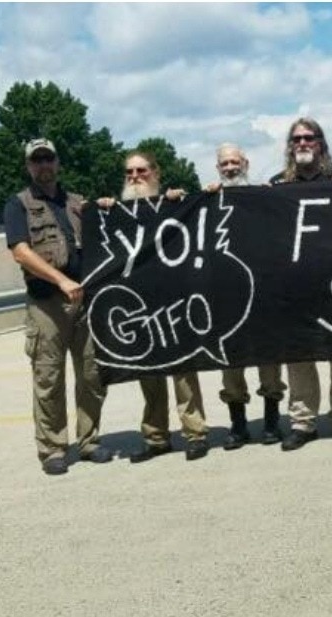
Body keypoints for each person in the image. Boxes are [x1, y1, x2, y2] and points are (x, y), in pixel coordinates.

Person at [4, 138, 111, 475]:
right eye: (37, 161)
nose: (44, 165)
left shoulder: (77, 203)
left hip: (85, 302)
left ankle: (90, 440)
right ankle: (52, 448)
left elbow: (109, 235)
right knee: (48, 378)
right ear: (28, 166)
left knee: (92, 375)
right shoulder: (18, 204)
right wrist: (60, 280)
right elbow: (21, 251)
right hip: (46, 304)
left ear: (58, 163)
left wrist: (107, 207)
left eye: (48, 159)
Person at [97, 151, 211, 461]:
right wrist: (102, 210)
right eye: (129, 172)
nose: (135, 177)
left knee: (183, 371)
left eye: (141, 171)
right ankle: (156, 437)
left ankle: (195, 433)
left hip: (174, 298)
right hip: (139, 304)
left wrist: (181, 198)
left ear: (155, 173)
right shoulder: (117, 212)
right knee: (149, 373)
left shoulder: (173, 205)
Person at [270, 117, 332, 451]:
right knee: (298, 354)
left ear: (321, 142)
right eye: (297, 139)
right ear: (290, 146)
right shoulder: (277, 185)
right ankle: (303, 421)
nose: (303, 143)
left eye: (309, 138)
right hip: (296, 285)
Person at [204, 143, 287, 449]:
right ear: (217, 168)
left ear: (245, 163)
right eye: (224, 164)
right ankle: (238, 426)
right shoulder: (209, 201)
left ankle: (271, 423)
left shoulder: (262, 197)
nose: (230, 168)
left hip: (263, 293)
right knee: (231, 365)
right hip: (225, 295)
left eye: (234, 162)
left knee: (269, 361)